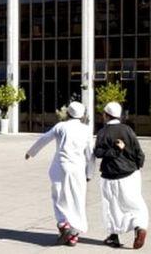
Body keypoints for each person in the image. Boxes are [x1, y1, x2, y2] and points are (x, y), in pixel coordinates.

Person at [25, 101, 94, 246]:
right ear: (82, 116)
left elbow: (44, 139)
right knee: (77, 198)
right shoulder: (86, 130)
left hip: (60, 166)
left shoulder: (61, 126)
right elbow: (90, 154)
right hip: (78, 168)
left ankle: (64, 225)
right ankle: (74, 233)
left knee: (59, 197)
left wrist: (31, 152)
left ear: (68, 113)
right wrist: (90, 173)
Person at [94, 101, 149, 250]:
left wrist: (113, 151)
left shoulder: (103, 132)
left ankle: (114, 237)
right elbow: (139, 153)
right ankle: (139, 227)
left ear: (106, 115)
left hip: (109, 175)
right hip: (130, 174)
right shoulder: (128, 130)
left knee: (111, 207)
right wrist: (137, 166)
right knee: (134, 202)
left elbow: (98, 153)